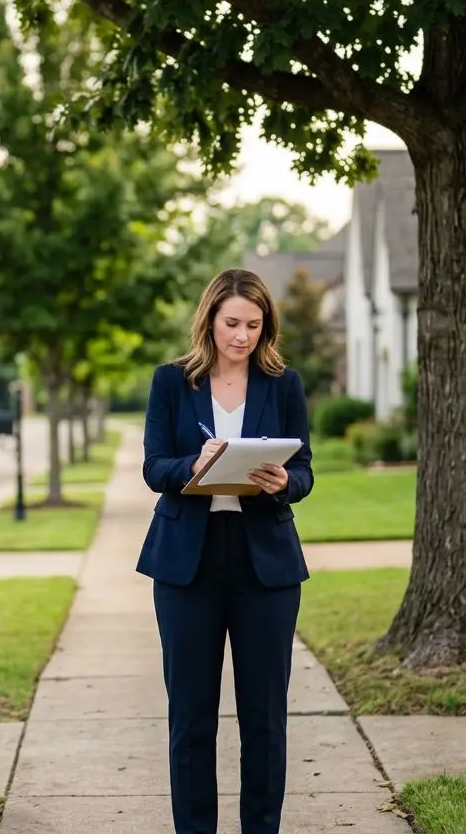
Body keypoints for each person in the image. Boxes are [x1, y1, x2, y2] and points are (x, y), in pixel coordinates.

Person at [137, 268, 313, 834]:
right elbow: (153, 465)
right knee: (190, 719)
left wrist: (286, 483)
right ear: (210, 319)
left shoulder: (283, 384)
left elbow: (304, 468)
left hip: (266, 566)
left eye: (254, 325)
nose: (242, 336)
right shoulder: (172, 382)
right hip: (188, 564)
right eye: (232, 323)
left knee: (265, 719)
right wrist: (194, 464)